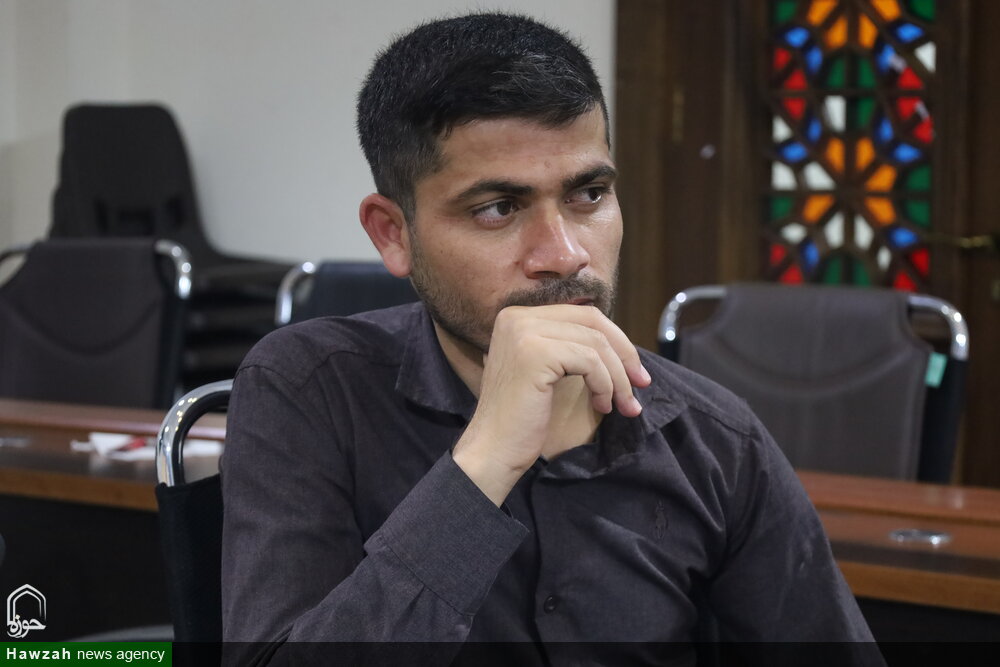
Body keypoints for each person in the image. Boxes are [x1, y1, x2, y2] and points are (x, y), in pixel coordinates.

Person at [220, 12, 885, 666]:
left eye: (589, 194)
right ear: (393, 233)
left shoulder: (714, 440)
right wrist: (482, 463)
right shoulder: (310, 389)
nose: (565, 255)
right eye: (497, 209)